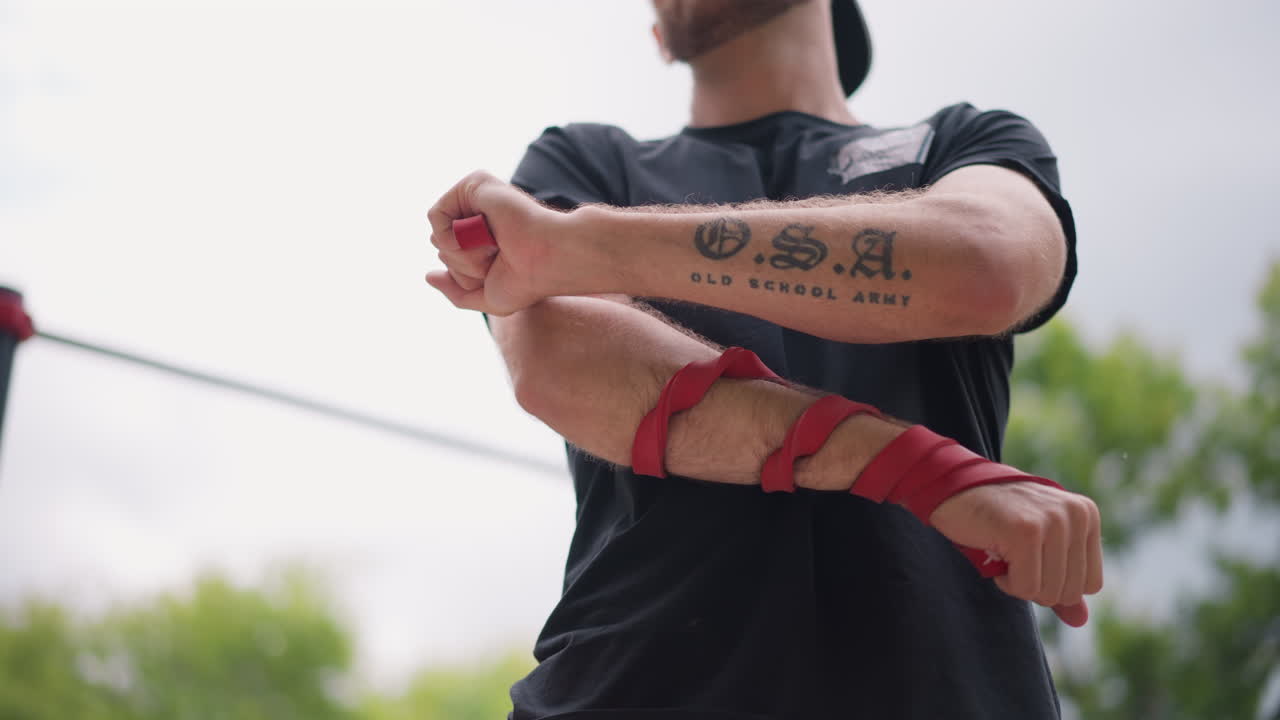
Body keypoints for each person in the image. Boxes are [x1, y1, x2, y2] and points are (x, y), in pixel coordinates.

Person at [426, 1, 1102, 717]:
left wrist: (580, 247)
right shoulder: (581, 163)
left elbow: (987, 266)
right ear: (659, 37)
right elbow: (557, 365)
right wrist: (923, 473)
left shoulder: (966, 143)